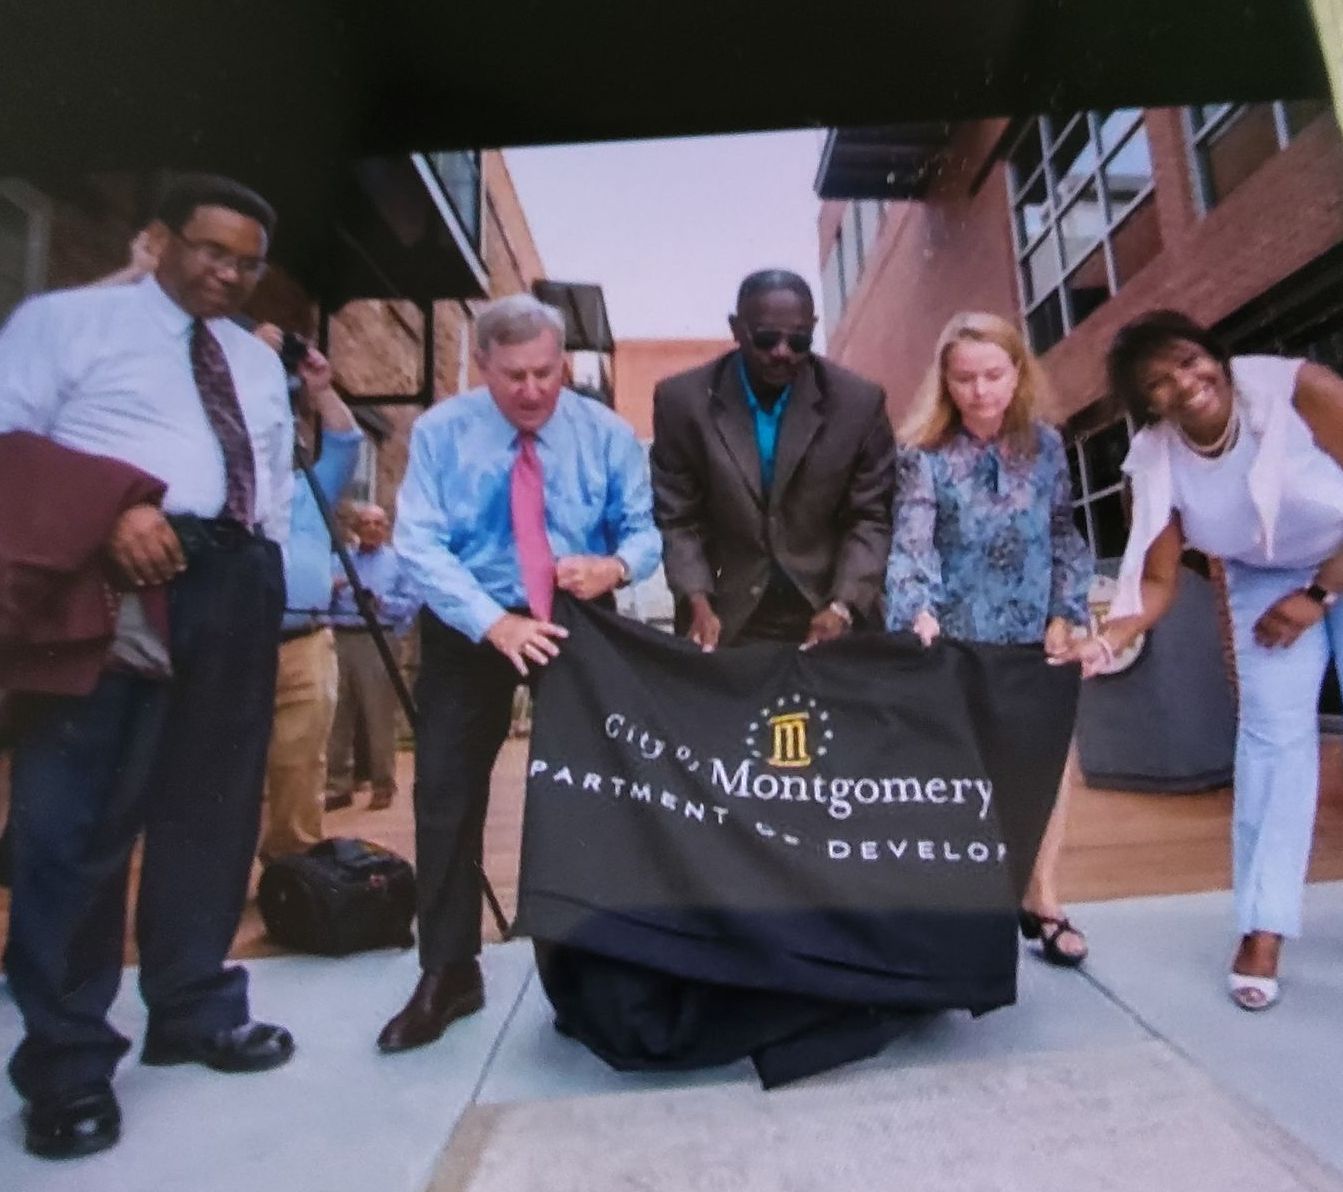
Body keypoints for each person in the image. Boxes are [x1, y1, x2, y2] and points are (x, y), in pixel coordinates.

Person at [0, 173, 296, 1159]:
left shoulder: (255, 362)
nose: (229, 273)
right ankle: (68, 1062)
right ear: (159, 239)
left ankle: (192, 1005)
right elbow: (6, 441)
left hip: (235, 582)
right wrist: (108, 509)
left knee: (211, 808)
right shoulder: (65, 324)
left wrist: (270, 583)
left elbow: (270, 477)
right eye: (212, 250)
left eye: (248, 262)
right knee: (75, 819)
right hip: (116, 575)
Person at [382, 293, 661, 1052]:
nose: (533, 390)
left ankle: (593, 969)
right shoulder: (441, 432)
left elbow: (644, 529)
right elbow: (418, 543)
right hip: (472, 619)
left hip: (574, 621)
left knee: (589, 795)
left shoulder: (603, 433)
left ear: (563, 362)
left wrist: (613, 565)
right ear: (482, 368)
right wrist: (491, 622)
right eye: (514, 377)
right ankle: (447, 971)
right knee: (443, 792)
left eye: (545, 372)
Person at [1054, 310, 1343, 1010]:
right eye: (1157, 383)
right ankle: (1262, 926)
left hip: (1332, 560)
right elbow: (1155, 582)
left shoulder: (1293, 389)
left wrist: (1319, 592)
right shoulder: (1157, 458)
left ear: (1213, 354)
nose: (1184, 385)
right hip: (1263, 578)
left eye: (1188, 361)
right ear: (1143, 404)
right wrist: (1108, 637)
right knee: (1271, 745)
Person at [885, 311, 1094, 966]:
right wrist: (915, 610)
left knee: (1047, 764)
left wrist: (1067, 610)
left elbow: (1063, 533)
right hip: (958, 642)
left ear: (1017, 372)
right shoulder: (921, 455)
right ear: (944, 382)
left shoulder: (1048, 446)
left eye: (993, 375)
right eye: (964, 378)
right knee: (965, 779)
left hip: (1037, 637)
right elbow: (911, 546)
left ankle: (1042, 897)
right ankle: (967, 909)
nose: (980, 391)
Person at [650, 269, 895, 649]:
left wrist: (843, 605)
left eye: (799, 340)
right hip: (725, 615)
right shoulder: (683, 402)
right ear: (736, 327)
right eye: (766, 338)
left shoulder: (858, 404)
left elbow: (870, 517)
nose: (782, 351)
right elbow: (679, 520)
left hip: (827, 609)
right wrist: (696, 599)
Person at [252, 326, 364, 860]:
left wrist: (319, 389)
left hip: (308, 638)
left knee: (301, 762)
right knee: (228, 762)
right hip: (242, 638)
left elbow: (347, 438)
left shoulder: (312, 486)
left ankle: (290, 868)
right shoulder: (229, 485)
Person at [325, 502, 417, 812]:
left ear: (387, 527)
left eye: (379, 523)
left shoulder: (398, 563)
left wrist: (381, 602)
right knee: (337, 715)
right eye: (365, 523)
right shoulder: (338, 561)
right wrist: (332, 589)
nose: (372, 529)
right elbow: (318, 596)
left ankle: (382, 784)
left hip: (378, 638)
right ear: (355, 528)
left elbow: (411, 604)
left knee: (378, 715)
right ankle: (337, 784)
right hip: (341, 636)